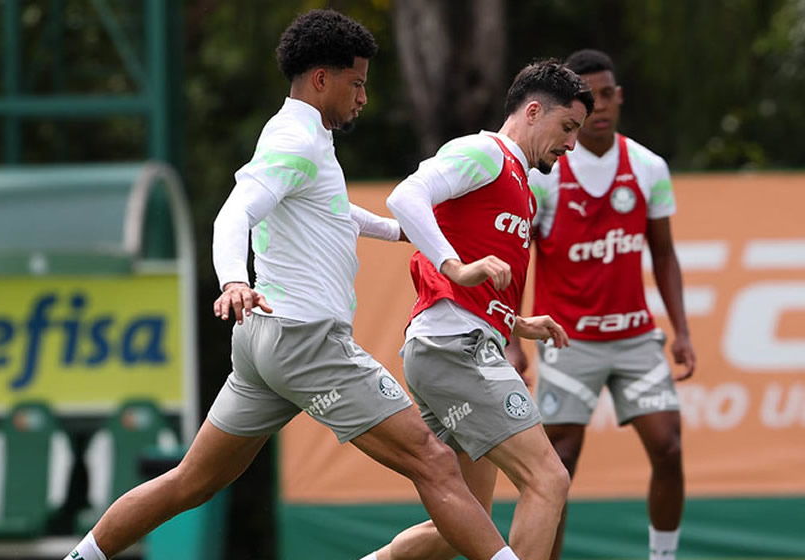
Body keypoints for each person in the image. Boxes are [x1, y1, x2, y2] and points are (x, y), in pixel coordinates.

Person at [64, 10, 520, 560]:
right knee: (435, 461)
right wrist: (233, 279)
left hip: (265, 346)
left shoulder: (304, 137)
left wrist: (400, 230)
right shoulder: (295, 140)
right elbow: (232, 215)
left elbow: (330, 210)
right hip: (305, 341)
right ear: (321, 79)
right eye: (357, 83)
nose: (363, 98)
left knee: (192, 481)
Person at [361, 60, 594, 560]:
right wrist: (456, 267)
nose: (572, 144)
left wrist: (517, 321)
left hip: (448, 345)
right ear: (533, 111)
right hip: (455, 347)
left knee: (464, 525)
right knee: (549, 479)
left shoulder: (521, 186)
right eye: (567, 127)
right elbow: (406, 197)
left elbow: (474, 273)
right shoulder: (486, 152)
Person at [506, 48, 696, 560]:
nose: (602, 105)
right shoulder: (545, 174)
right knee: (559, 465)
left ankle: (663, 555)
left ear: (619, 96)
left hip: (635, 337)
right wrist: (513, 339)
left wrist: (681, 330)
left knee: (670, 446)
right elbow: (516, 258)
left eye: (609, 93)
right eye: (590, 98)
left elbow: (664, 255)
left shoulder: (648, 166)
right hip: (570, 340)